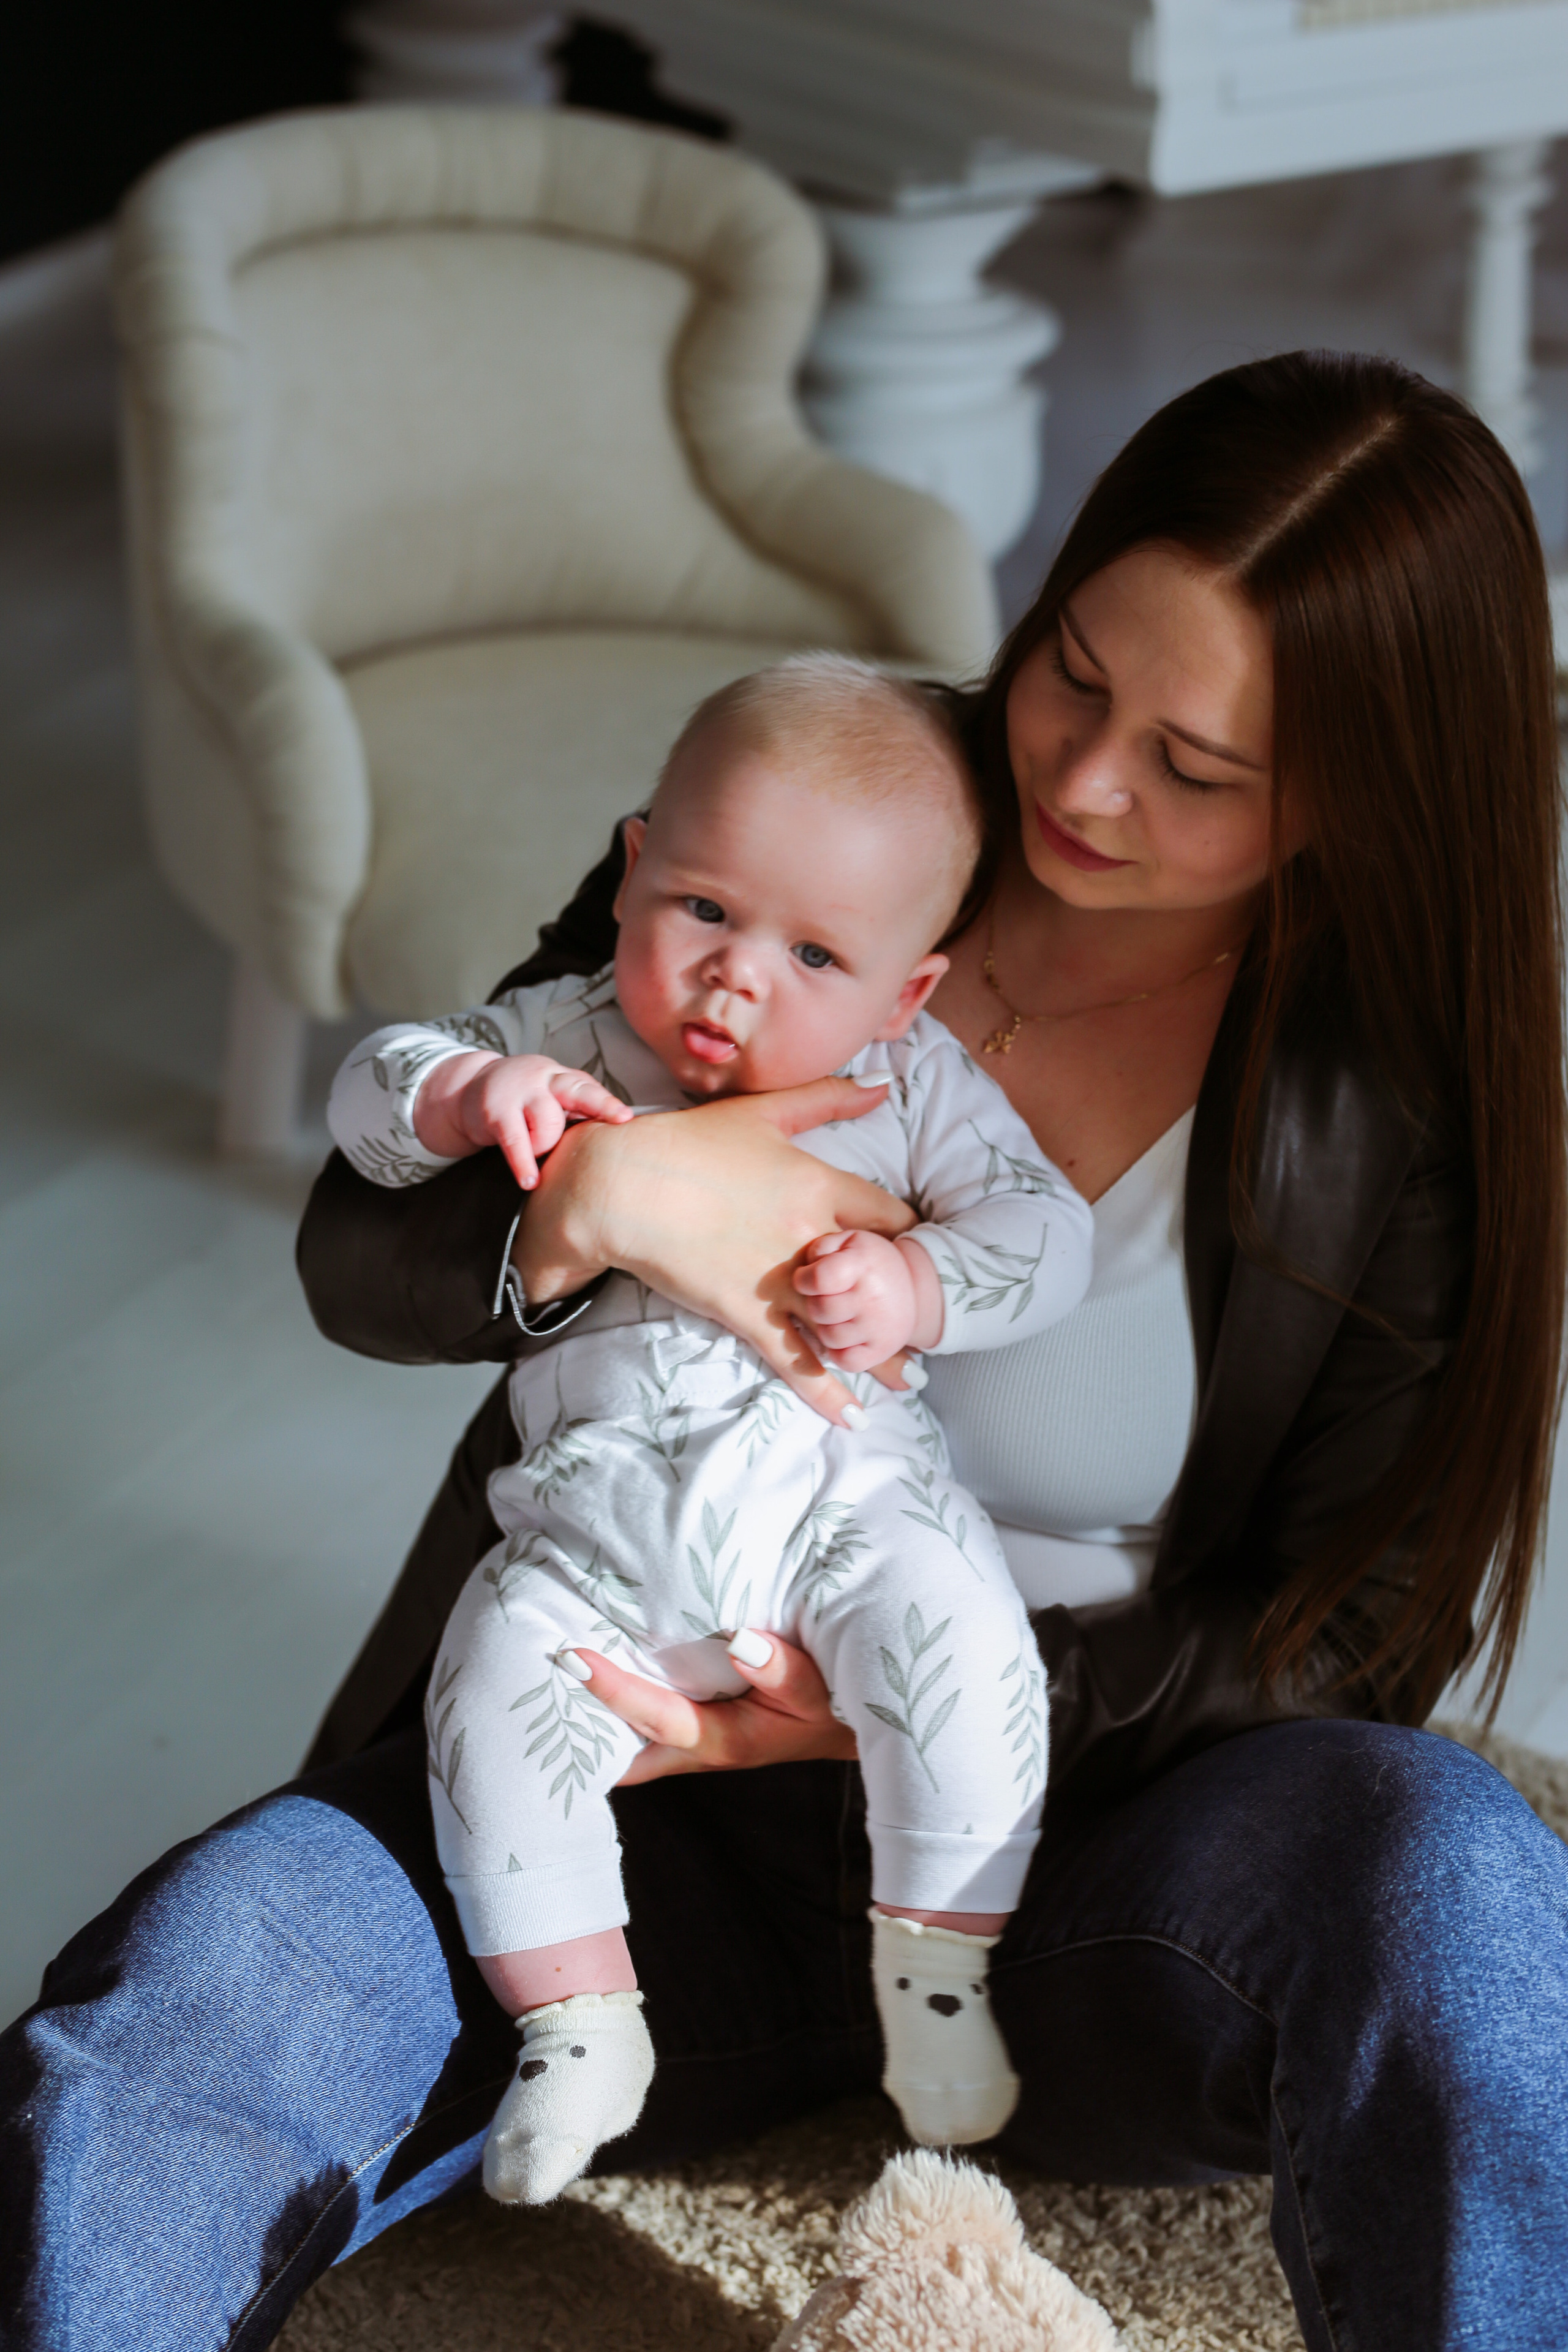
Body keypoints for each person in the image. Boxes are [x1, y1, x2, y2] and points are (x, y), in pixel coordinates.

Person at [3, 349, 1566, 2352]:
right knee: (177, 2012)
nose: (1086, 785)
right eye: (1077, 675)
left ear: (1359, 790)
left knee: (1459, 1878)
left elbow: (1357, 1633)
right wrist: (595, 1208)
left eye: (1202, 769)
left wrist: (889, 1710)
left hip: (1077, 1887)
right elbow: (362, 1255)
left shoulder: (1392, 1101)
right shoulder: (816, 810)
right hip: (608, 1814)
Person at [325, 656, 1093, 2199]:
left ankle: (930, 1985)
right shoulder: (570, 1032)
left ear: (908, 988)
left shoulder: (910, 1084)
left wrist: (920, 1282)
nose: (736, 976)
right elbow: (369, 1088)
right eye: (701, 911)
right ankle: (577, 2022)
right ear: (628, 873)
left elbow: (1045, 1232)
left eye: (815, 952)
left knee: (962, 1654)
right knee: (487, 1693)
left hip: (842, 1510)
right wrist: (467, 1091)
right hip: (591, 1534)